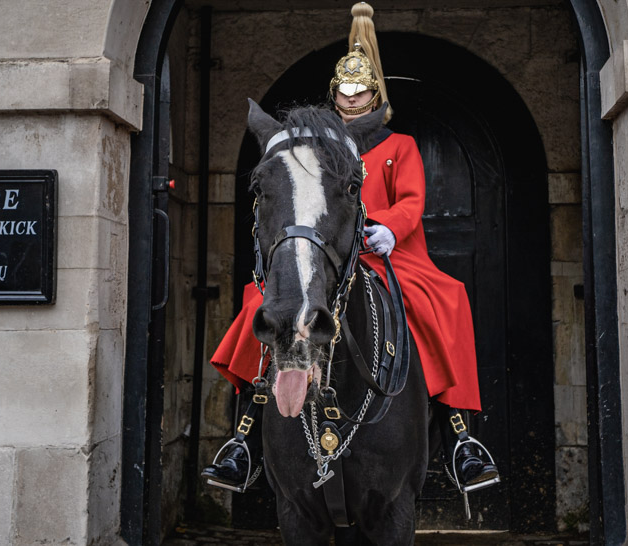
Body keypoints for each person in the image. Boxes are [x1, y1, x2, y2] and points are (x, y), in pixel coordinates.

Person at [202, 2, 498, 495]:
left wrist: (389, 229)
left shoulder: (399, 145)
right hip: (327, 253)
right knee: (261, 303)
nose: (352, 98)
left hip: (389, 254)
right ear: (335, 94)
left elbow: (412, 200)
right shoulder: (323, 149)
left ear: (375, 95)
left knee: (442, 301)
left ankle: (457, 433)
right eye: (344, 90)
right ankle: (246, 435)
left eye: (361, 91)